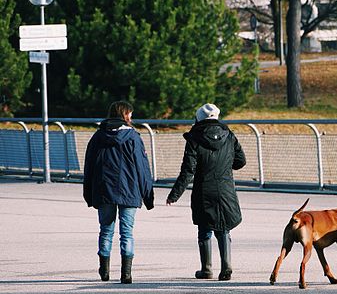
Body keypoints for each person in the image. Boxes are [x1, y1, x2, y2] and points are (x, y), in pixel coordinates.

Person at [166, 103, 246, 281]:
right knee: (224, 227)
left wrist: (174, 194)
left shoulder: (194, 138)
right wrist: (225, 165)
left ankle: (207, 269)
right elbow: (241, 161)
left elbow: (188, 170)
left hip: (203, 188)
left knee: (204, 228)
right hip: (225, 188)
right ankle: (226, 266)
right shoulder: (229, 136)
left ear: (198, 118)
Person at [83, 101, 154, 284]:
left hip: (104, 189)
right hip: (129, 190)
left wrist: (88, 192)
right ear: (125, 115)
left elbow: (89, 167)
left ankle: (104, 271)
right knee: (127, 233)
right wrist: (148, 195)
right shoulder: (133, 137)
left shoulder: (98, 136)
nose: (131, 117)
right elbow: (142, 167)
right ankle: (126, 273)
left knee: (106, 230)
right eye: (130, 113)